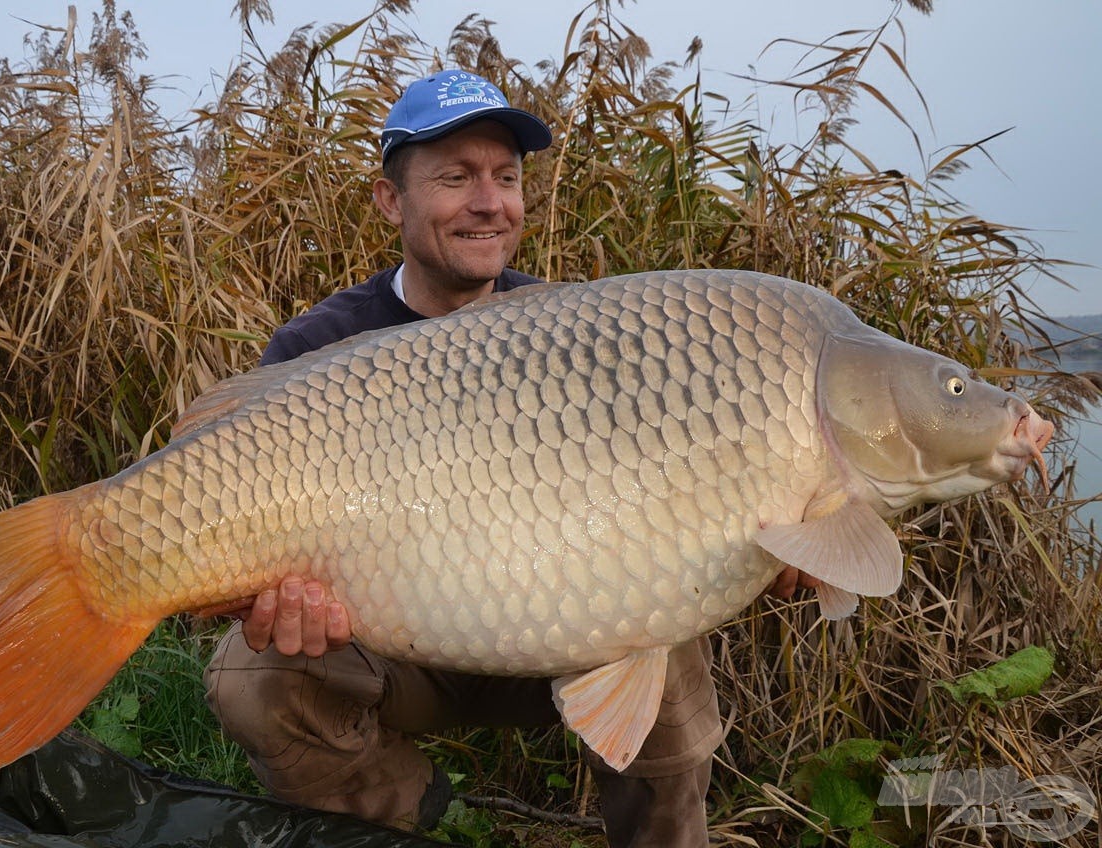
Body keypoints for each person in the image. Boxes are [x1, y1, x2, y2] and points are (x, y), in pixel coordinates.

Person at [203, 68, 816, 848]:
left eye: (506, 177)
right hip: (397, 647)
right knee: (250, 677)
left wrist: (783, 530)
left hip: (566, 629)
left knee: (665, 631)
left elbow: (673, 498)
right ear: (392, 201)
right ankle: (406, 817)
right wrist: (272, 599)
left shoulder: (576, 331)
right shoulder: (318, 349)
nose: (489, 202)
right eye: (455, 177)